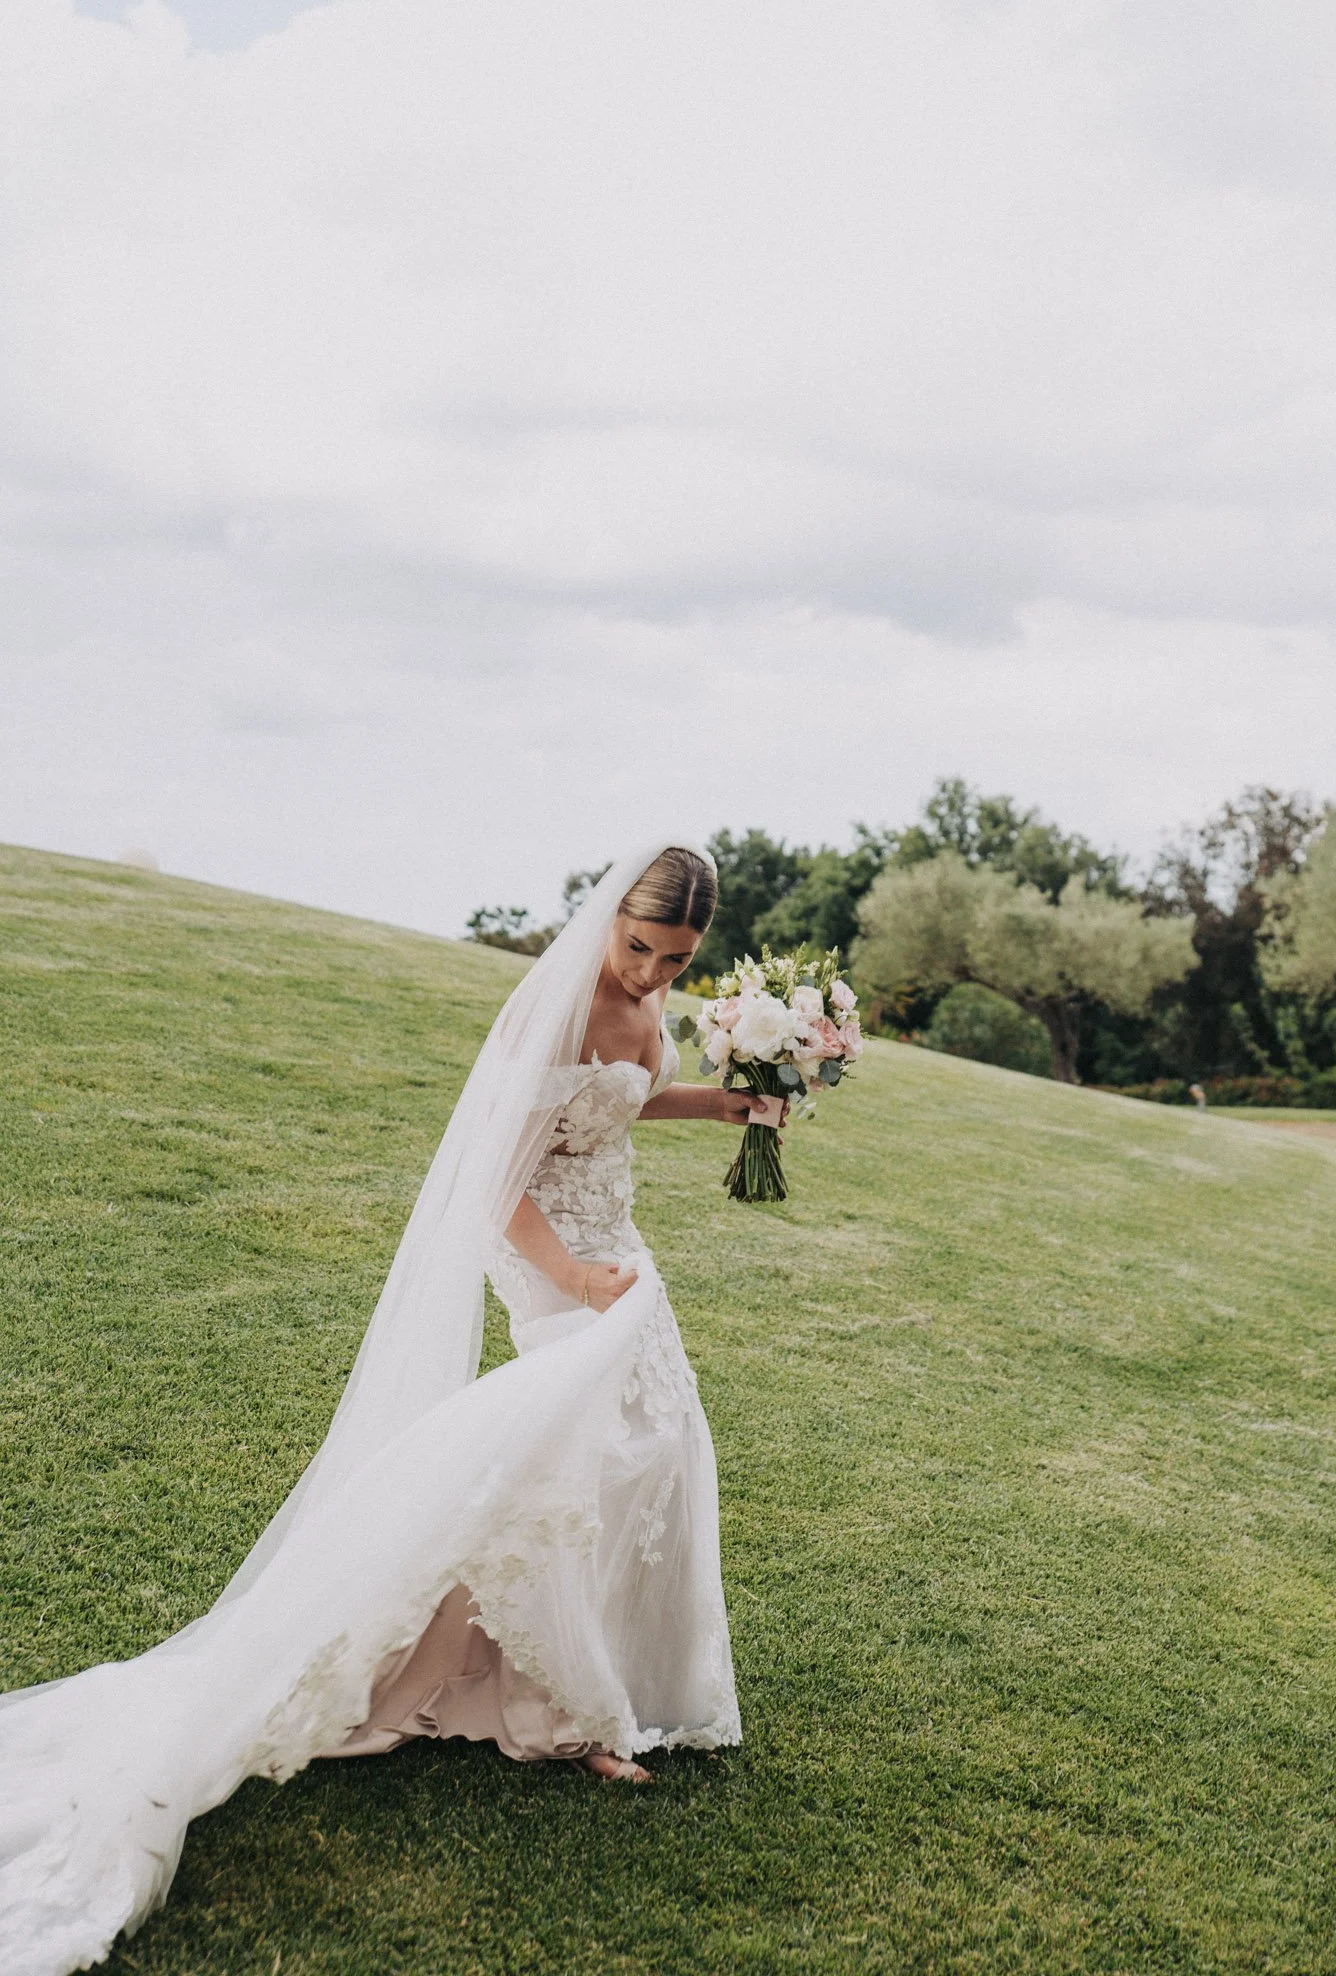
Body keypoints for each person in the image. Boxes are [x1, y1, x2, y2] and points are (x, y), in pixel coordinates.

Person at [0, 840, 771, 1976]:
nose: (656, 975)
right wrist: (572, 1280)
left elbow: (619, 1105)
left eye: (678, 957)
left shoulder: (650, 1005)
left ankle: (581, 1674)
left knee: (654, 1448)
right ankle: (568, 1712)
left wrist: (725, 1103)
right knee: (584, 1454)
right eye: (643, 948)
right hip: (554, 1259)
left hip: (621, 1252)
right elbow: (498, 1183)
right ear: (608, 918)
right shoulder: (552, 1011)